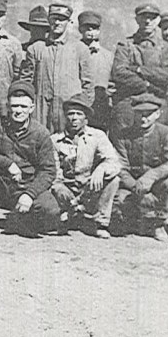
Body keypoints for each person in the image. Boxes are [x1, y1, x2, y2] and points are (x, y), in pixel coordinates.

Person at [0, 81, 58, 237]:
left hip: (25, 186)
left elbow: (48, 171)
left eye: (23, 107)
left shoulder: (40, 133)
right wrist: (7, 163)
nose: (18, 111)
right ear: (8, 106)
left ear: (32, 108)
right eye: (15, 106)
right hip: (0, 185)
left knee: (50, 211)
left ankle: (19, 218)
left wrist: (30, 194)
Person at [49, 94, 123, 239]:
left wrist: (101, 169)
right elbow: (52, 169)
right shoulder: (55, 140)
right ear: (65, 117)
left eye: (79, 114)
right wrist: (58, 186)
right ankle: (68, 216)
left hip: (89, 188)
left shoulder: (98, 136)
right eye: (70, 114)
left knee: (114, 180)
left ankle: (99, 223)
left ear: (86, 118)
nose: (74, 118)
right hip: (66, 189)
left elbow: (114, 161)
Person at [112, 93, 168, 241]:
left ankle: (159, 223)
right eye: (139, 114)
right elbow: (120, 166)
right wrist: (134, 185)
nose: (143, 118)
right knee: (119, 199)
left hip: (156, 184)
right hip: (132, 185)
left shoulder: (166, 133)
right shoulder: (123, 135)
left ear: (157, 114)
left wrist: (151, 176)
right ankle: (137, 220)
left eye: (148, 114)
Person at [20, 0, 93, 133]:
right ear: (48, 20)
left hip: (68, 112)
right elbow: (26, 83)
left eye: (62, 19)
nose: (57, 23)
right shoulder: (36, 49)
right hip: (41, 111)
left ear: (68, 22)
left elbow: (87, 84)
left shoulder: (80, 49)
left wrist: (81, 111)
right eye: (54, 19)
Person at [109, 3, 168, 137]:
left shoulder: (166, 48)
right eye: (143, 17)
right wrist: (146, 84)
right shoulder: (126, 45)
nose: (147, 21)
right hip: (130, 101)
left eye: (152, 18)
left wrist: (140, 69)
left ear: (158, 20)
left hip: (156, 102)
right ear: (136, 20)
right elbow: (119, 73)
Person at [77, 10, 114, 131]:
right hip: (78, 102)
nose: (91, 32)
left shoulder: (108, 56)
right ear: (80, 29)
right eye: (87, 28)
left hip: (100, 105)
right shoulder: (73, 51)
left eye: (94, 28)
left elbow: (113, 80)